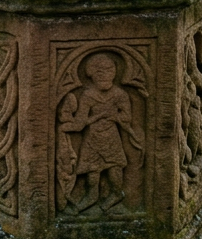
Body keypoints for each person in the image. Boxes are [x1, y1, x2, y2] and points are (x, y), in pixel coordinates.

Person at [58, 52, 144, 213]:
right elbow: (81, 122)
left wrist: (115, 116)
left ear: (114, 73)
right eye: (99, 72)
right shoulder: (88, 95)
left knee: (115, 169)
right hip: (92, 138)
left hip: (112, 138)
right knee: (92, 172)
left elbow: (127, 117)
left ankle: (117, 194)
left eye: (108, 70)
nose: (104, 75)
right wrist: (66, 125)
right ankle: (91, 196)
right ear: (92, 76)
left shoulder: (120, 94)